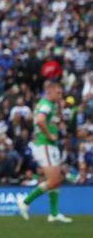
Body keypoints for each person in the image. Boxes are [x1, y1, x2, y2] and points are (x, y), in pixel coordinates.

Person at [17, 81, 72, 222]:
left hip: (49, 145)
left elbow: (49, 121)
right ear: (50, 91)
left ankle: (53, 214)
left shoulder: (50, 105)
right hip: (45, 145)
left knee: (57, 179)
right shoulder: (46, 104)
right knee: (53, 179)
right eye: (58, 92)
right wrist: (49, 135)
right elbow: (40, 121)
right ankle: (25, 202)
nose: (61, 95)